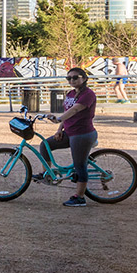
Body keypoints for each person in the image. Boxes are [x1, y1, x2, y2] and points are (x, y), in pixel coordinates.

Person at [42, 67, 98, 207]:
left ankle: (79, 197)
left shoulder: (88, 94)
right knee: (45, 145)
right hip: (69, 132)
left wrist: (59, 119)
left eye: (75, 77)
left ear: (84, 78)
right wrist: (59, 129)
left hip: (82, 134)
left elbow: (76, 109)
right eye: (68, 78)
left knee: (79, 164)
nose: (71, 80)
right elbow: (68, 111)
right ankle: (47, 174)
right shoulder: (71, 93)